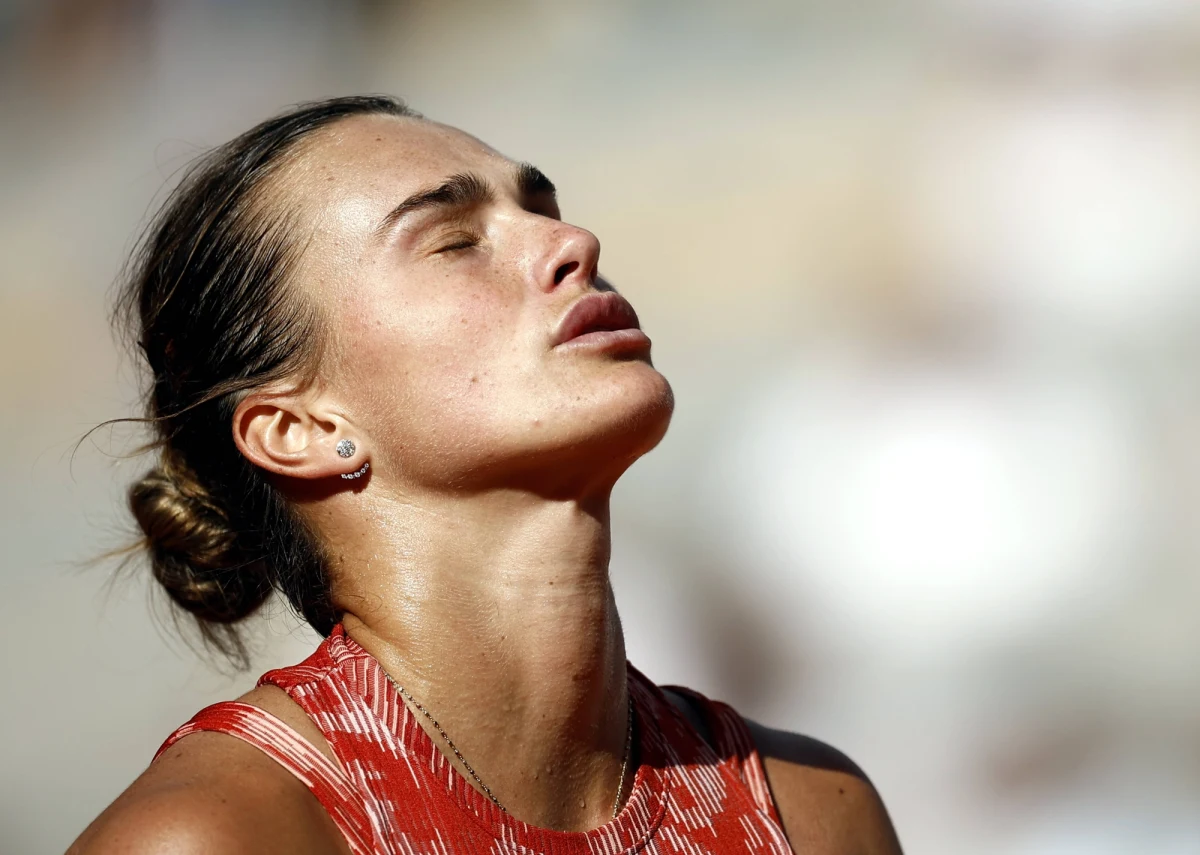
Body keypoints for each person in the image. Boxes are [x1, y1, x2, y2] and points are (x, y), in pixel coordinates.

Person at [68, 95, 903, 855]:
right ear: (301, 429)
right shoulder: (218, 837)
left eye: (544, 210)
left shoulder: (816, 815)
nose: (575, 243)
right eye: (455, 241)